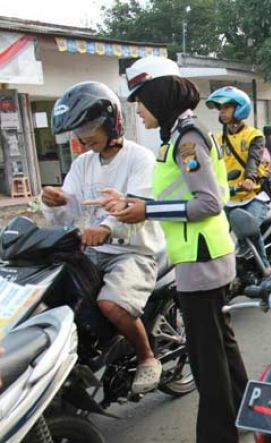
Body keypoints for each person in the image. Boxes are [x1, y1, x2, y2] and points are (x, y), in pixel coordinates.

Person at [107, 56, 247, 443]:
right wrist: (129, 202)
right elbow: (179, 194)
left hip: (201, 260)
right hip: (205, 256)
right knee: (223, 349)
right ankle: (246, 416)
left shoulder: (187, 139)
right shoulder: (181, 136)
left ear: (159, 94)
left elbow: (208, 202)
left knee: (207, 361)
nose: (138, 109)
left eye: (141, 99)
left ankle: (219, 436)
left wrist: (146, 210)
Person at [43, 81, 164, 394]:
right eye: (78, 130)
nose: (83, 138)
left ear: (111, 122)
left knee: (110, 305)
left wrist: (108, 228)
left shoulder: (141, 159)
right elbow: (69, 210)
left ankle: (146, 356)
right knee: (55, 295)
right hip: (92, 249)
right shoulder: (83, 164)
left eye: (88, 127)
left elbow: (137, 208)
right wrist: (55, 201)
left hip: (134, 251)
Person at [206, 86, 271, 270]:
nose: (222, 112)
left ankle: (265, 270)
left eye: (227, 107)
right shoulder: (216, 139)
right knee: (214, 235)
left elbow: (254, 158)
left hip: (253, 195)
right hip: (227, 197)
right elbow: (208, 163)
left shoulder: (254, 136)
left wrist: (249, 178)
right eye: (220, 108)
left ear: (240, 108)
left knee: (248, 230)